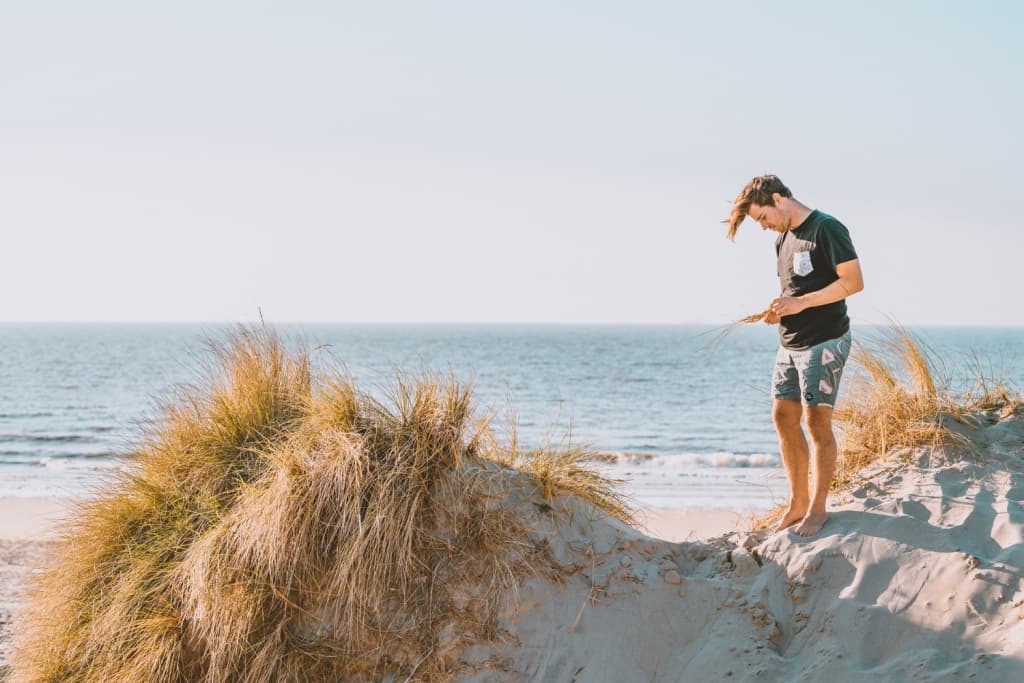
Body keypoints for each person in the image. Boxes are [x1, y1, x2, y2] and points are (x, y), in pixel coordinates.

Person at [726, 174, 864, 537]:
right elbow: (795, 291)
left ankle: (818, 510)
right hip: (789, 344)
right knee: (783, 417)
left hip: (825, 340)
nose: (763, 226)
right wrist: (780, 311)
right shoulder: (782, 241)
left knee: (817, 423)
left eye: (762, 217)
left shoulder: (826, 228)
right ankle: (797, 503)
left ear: (777, 199)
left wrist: (800, 303)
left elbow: (852, 281)